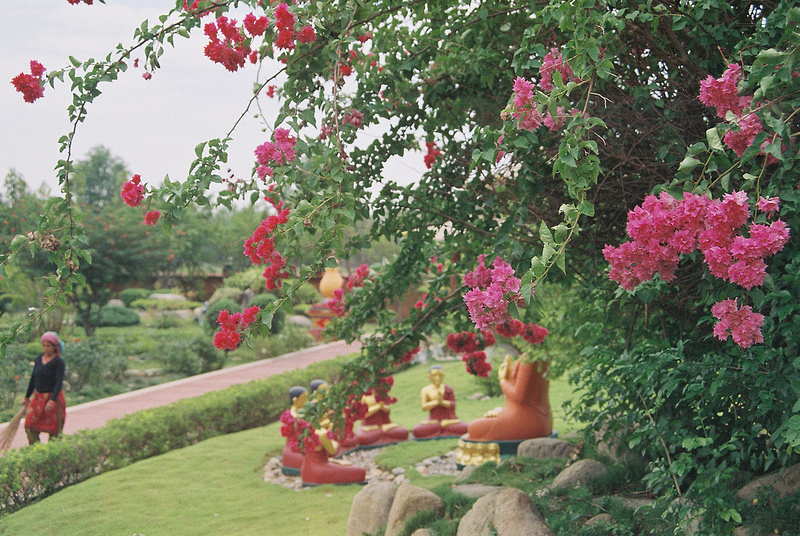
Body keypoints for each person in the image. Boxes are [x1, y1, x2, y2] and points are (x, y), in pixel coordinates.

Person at [22, 332, 67, 445]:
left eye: (48, 345)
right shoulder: (38, 359)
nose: (45, 348)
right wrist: (27, 396)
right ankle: (37, 451)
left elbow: (58, 382)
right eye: (44, 345)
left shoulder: (58, 362)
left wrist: (52, 401)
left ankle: (52, 455)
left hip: (53, 399)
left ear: (54, 347)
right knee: (29, 426)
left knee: (54, 431)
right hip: (38, 398)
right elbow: (33, 379)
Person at [412, 365, 468, 439]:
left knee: (466, 427)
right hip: (433, 420)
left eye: (440, 376)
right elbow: (424, 407)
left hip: (448, 420)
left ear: (443, 376)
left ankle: (441, 427)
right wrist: (436, 402)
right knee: (417, 430)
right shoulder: (425, 390)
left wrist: (442, 402)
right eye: (435, 376)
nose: (438, 378)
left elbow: (453, 404)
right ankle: (441, 426)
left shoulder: (448, 389)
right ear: (429, 377)